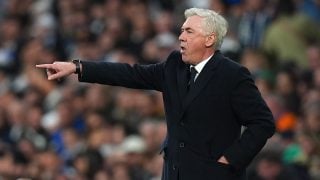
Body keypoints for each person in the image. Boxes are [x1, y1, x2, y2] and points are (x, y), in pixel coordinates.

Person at [37, 8, 275, 180]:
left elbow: (263, 123)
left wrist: (231, 159)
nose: (181, 36)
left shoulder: (233, 75)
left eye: (189, 32)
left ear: (210, 39)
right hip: (174, 172)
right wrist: (78, 67)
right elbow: (131, 74)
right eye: (182, 31)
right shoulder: (174, 65)